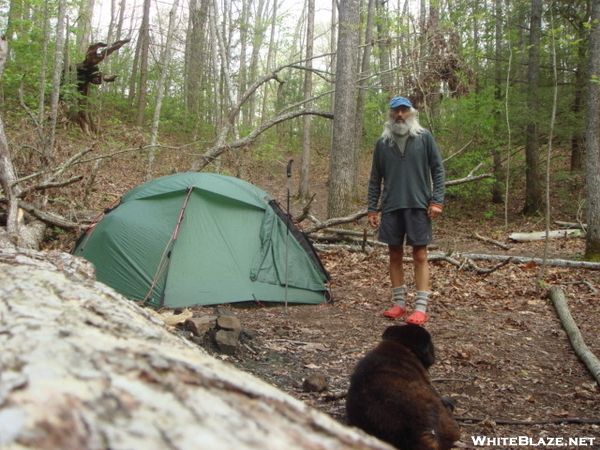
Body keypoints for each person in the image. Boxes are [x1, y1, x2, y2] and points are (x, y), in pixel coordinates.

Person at [367, 96, 445, 325]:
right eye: (395, 111)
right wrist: (372, 209)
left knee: (420, 255)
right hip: (391, 205)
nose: (400, 115)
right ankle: (399, 304)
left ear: (411, 113)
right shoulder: (383, 143)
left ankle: (421, 307)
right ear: (390, 115)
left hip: (419, 204)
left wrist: (437, 201)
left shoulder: (424, 137)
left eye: (404, 111)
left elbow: (438, 170)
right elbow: (375, 178)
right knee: (394, 254)